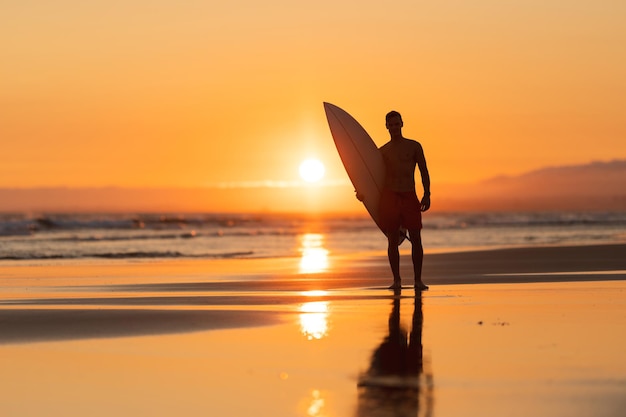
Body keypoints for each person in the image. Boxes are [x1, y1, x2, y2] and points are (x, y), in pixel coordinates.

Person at [378, 110, 430, 291]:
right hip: (390, 196)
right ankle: (397, 280)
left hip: (409, 195)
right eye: (390, 124)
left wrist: (427, 194)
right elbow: (373, 179)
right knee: (392, 239)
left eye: (396, 124)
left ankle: (418, 280)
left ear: (402, 123)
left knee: (416, 237)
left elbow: (424, 171)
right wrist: (363, 194)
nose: (394, 127)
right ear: (386, 126)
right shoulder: (382, 151)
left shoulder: (414, 146)